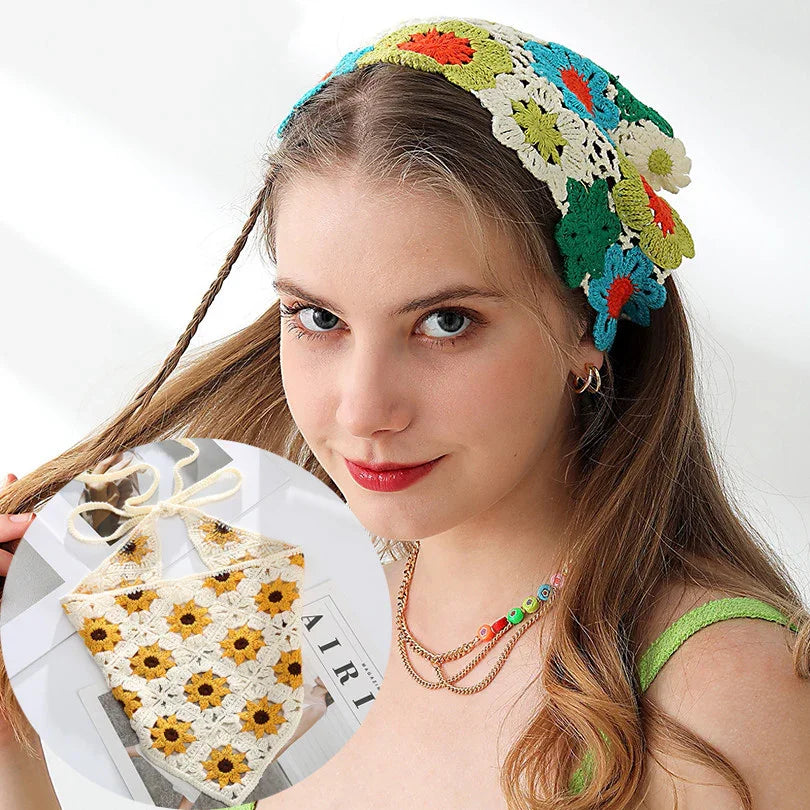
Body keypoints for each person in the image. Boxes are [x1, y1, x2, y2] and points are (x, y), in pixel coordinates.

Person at [2, 14, 809, 810]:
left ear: (588, 325)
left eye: (446, 323)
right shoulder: (289, 631)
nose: (363, 409)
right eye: (319, 319)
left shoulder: (719, 695)